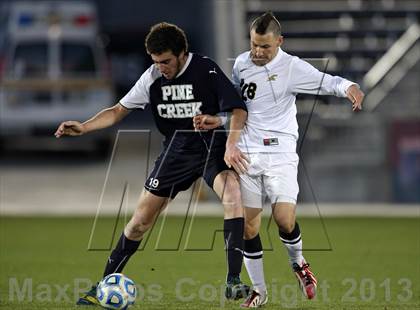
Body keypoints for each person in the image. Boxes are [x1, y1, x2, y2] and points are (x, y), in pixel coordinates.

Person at [55, 22, 251, 305]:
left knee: (232, 194)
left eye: (167, 61)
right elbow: (118, 111)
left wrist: (230, 143)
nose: (162, 67)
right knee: (139, 223)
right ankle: (102, 285)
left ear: (183, 53)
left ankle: (233, 280)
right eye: (156, 62)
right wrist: (84, 128)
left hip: (211, 148)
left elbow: (238, 108)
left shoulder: (205, 69)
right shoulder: (152, 77)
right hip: (177, 152)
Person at [193, 12, 364, 307]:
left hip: (280, 154)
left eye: (265, 47)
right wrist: (216, 119)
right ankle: (260, 291)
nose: (258, 52)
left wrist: (350, 87)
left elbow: (328, 81)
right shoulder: (242, 64)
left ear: (279, 42)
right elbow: (239, 106)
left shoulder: (292, 67)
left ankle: (299, 264)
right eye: (254, 45)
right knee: (249, 226)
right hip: (246, 153)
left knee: (284, 220)